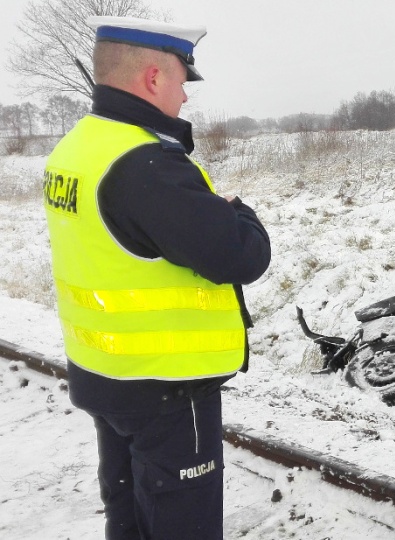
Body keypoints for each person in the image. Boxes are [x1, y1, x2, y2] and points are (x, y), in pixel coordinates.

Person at [42, 16, 271, 539]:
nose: (186, 98)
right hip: (168, 389)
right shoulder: (145, 164)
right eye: (182, 81)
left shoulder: (77, 148)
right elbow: (241, 256)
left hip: (105, 372)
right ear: (152, 79)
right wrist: (238, 209)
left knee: (129, 516)